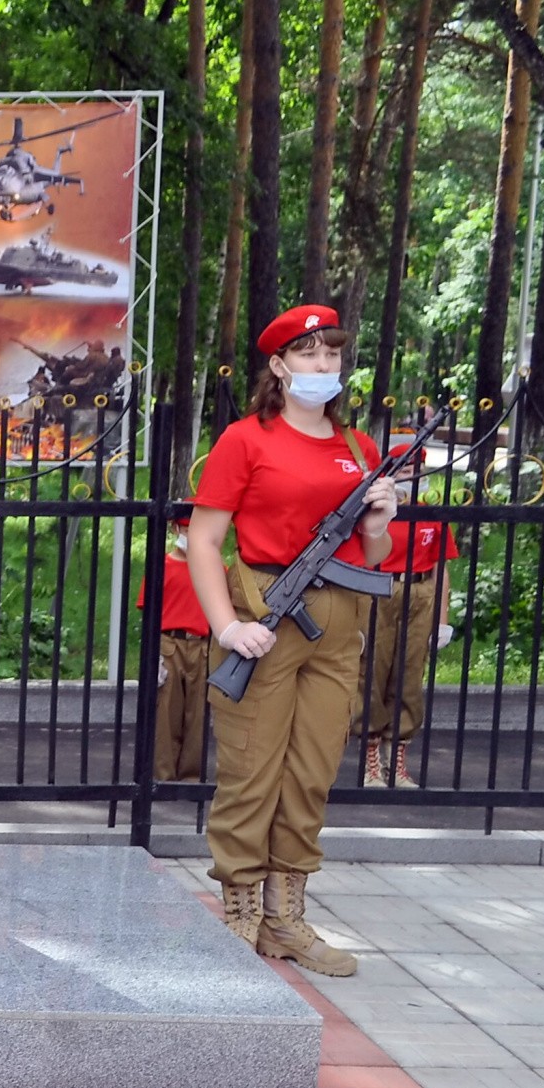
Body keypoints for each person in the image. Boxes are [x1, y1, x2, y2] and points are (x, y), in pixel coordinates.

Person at [188, 303, 397, 977]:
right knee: (251, 774)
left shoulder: (357, 447)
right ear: (278, 367)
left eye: (330, 355)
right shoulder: (244, 440)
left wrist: (377, 522)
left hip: (338, 627)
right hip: (265, 618)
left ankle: (285, 917)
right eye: (307, 355)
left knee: (309, 775)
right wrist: (226, 624)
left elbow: (377, 551)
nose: (321, 366)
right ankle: (241, 913)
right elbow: (204, 539)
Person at [359, 442, 458, 788]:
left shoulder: (431, 513)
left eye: (413, 468)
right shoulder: (375, 510)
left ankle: (397, 761)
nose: (408, 474)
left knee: (409, 674)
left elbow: (440, 569)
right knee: (373, 670)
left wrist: (442, 620)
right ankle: (371, 762)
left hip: (419, 594)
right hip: (379, 589)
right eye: (401, 468)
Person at [136, 506, 211, 782]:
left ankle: (192, 778)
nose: (193, 534)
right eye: (188, 528)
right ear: (176, 529)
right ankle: (162, 777)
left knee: (198, 714)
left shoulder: (216, 569)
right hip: (169, 644)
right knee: (166, 712)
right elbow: (149, 612)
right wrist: (152, 653)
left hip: (202, 645)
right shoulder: (161, 567)